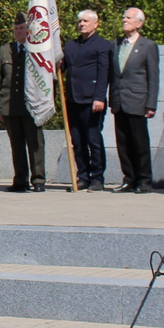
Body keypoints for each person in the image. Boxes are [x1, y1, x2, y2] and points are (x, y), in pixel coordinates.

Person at [60, 10, 113, 192]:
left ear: (95, 24)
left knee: (93, 140)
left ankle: (97, 178)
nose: (82, 24)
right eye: (80, 21)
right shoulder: (70, 45)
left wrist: (99, 97)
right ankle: (83, 176)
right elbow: (64, 67)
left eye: (86, 21)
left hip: (91, 100)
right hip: (73, 99)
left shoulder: (103, 45)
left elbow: (103, 72)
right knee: (78, 141)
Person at [110, 8, 160, 193]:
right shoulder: (115, 45)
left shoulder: (148, 46)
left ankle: (144, 180)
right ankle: (129, 179)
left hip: (137, 100)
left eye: (129, 18)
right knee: (123, 143)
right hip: (119, 100)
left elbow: (153, 77)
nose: (124, 20)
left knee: (140, 143)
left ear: (139, 23)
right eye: (123, 17)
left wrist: (151, 104)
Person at [0, 14, 44, 192]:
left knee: (35, 144)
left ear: (29, 30)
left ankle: (38, 179)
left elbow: (45, 79)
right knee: (17, 146)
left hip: (32, 106)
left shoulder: (37, 50)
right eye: (16, 29)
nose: (18, 31)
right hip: (10, 105)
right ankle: (20, 180)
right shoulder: (5, 50)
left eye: (22, 28)